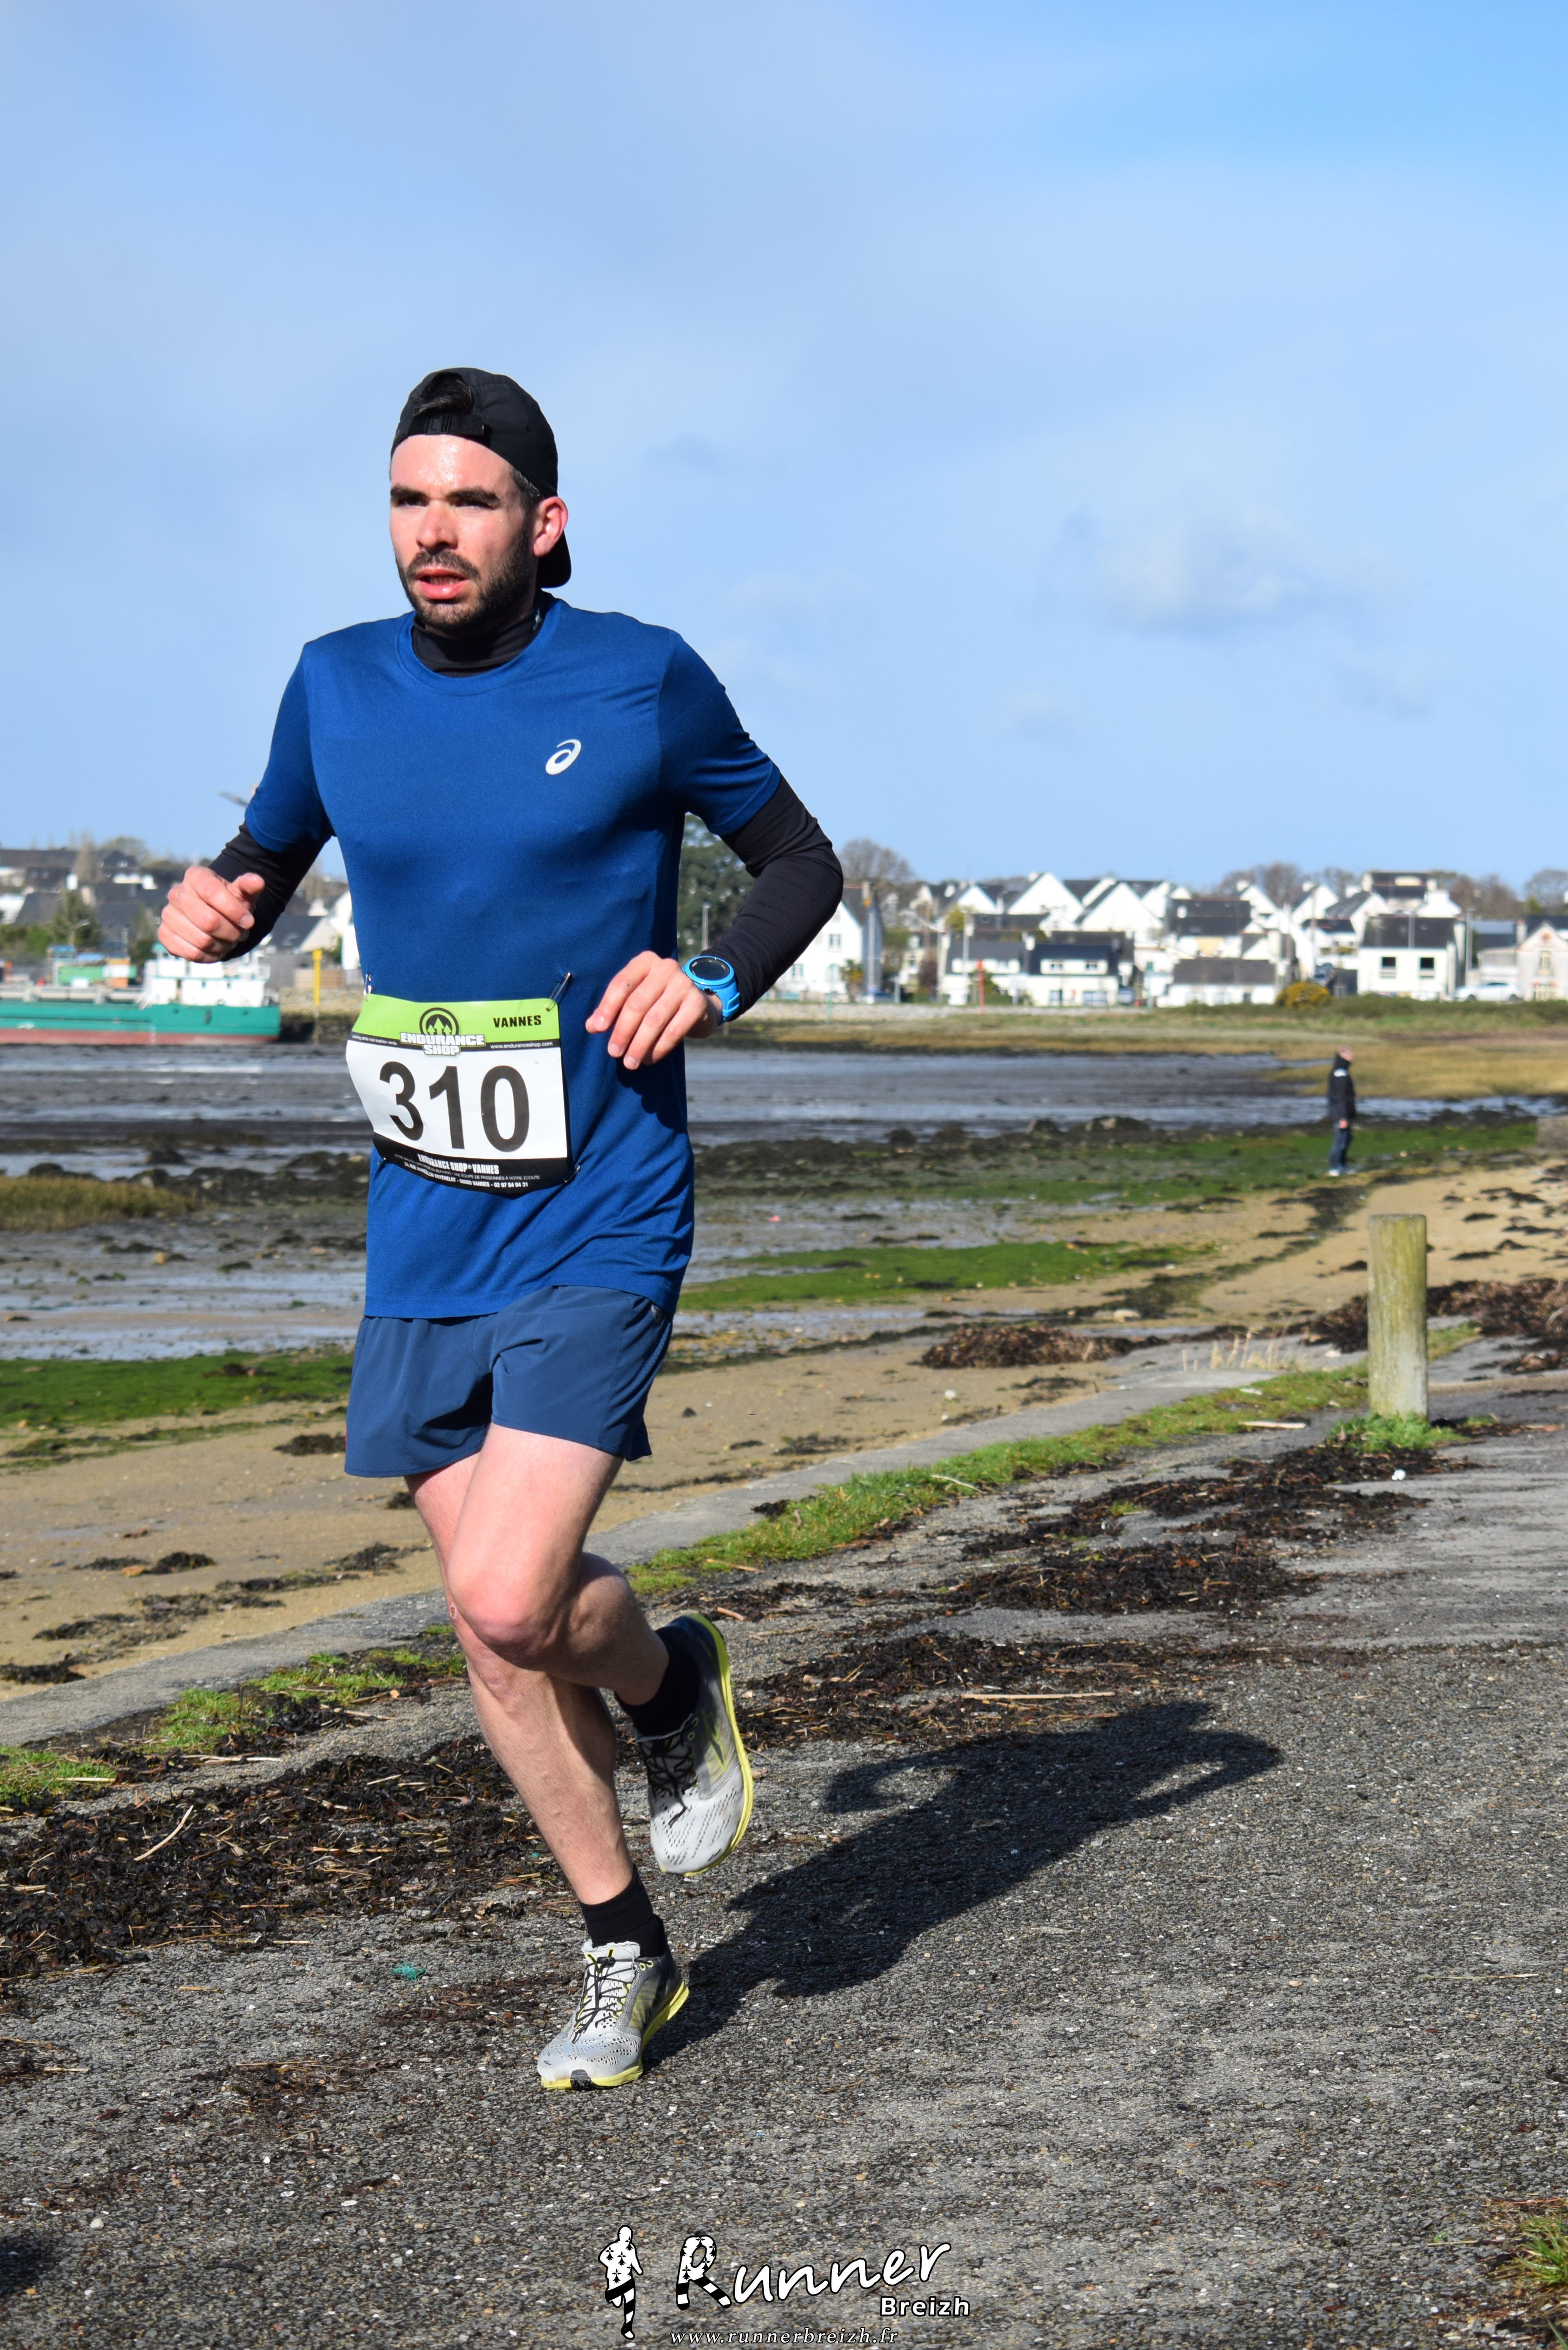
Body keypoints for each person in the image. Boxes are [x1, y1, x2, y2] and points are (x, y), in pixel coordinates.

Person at [158, 366, 842, 2091]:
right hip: (423, 1214)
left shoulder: (637, 677)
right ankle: (625, 1941)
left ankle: (668, 1687)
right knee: (492, 1630)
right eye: (408, 500)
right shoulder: (333, 684)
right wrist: (216, 905)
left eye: (468, 501)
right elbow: (259, 863)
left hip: (601, 1194)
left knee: (505, 1588)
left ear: (543, 522)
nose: (432, 532)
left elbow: (798, 864)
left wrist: (707, 978)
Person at [1327, 1046, 1356, 1174]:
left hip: (1341, 1112)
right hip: (1340, 1113)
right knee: (1340, 1139)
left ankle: (1342, 1165)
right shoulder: (1340, 1073)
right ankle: (1335, 1167)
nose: (1352, 1058)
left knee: (1346, 1138)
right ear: (1344, 1056)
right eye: (1350, 1055)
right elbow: (1340, 1097)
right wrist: (1343, 1117)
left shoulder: (1341, 1070)